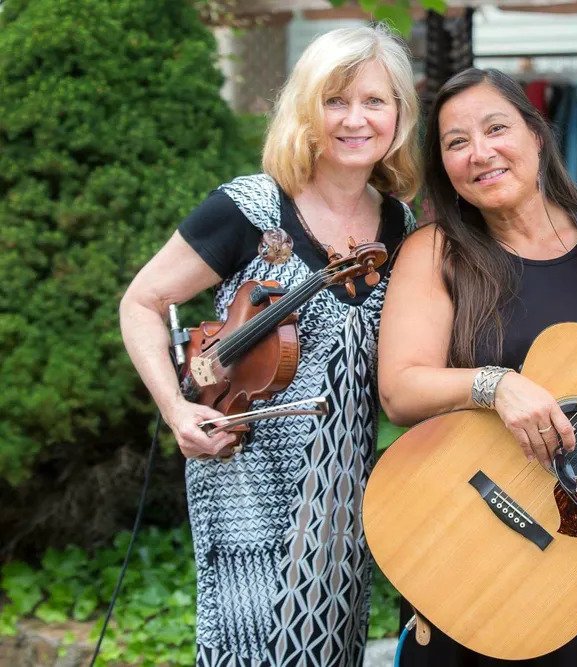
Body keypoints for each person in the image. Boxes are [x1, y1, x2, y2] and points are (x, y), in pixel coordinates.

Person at [377, 67, 577, 666]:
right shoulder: (436, 253)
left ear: (536, 135)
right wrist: (494, 385)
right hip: (484, 543)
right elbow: (399, 390)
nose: (480, 153)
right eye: (456, 143)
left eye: (496, 128)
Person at [119, 25, 419, 666]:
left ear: (400, 114)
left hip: (342, 495)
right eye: (335, 101)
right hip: (243, 483)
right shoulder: (248, 208)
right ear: (306, 111)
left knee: (331, 648)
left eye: (375, 101)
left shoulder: (401, 226)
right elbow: (143, 302)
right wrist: (176, 409)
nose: (356, 119)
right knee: (250, 649)